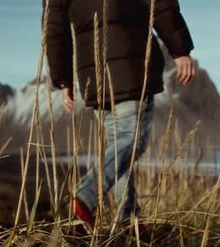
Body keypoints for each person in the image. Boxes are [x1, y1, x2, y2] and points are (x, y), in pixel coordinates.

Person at [43, 0, 195, 229]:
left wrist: (63, 78)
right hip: (133, 64)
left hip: (92, 75)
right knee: (131, 141)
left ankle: (129, 217)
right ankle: (86, 194)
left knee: (118, 148)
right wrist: (180, 48)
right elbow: (160, 4)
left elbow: (54, 29)